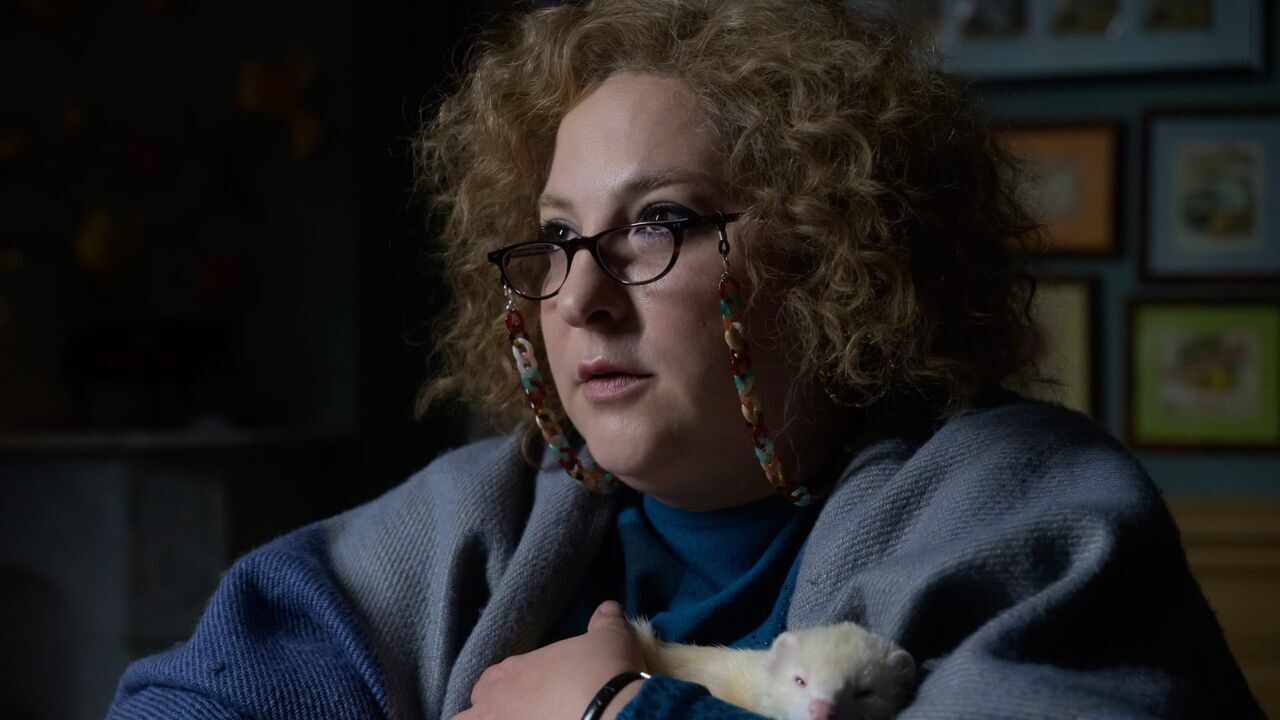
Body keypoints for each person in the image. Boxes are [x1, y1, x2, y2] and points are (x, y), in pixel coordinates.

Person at [108, 1, 1263, 718]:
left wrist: (614, 713)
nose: (579, 297)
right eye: (556, 239)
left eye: (656, 222)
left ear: (833, 249)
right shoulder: (469, 522)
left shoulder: (1019, 501)